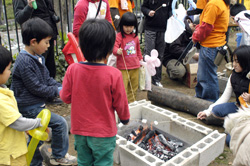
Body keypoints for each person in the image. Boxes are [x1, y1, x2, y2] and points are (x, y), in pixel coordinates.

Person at [60, 19, 130, 166]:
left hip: (80, 131)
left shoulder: (73, 70)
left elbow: (65, 97)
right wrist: (124, 119)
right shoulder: (114, 74)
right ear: (110, 50)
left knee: (84, 162)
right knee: (103, 162)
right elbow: (121, 103)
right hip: (103, 133)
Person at [10, 18, 77, 166]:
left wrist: (61, 87)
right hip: (29, 108)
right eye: (46, 42)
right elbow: (37, 88)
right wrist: (56, 91)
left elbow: (47, 79)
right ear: (33, 41)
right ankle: (58, 156)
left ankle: (34, 162)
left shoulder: (36, 57)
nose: (48, 46)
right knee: (60, 124)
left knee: (37, 137)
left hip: (36, 106)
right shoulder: (25, 62)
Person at [197, 45, 250, 145]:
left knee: (230, 141)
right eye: (234, 61)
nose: (234, 64)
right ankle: (237, 122)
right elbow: (225, 97)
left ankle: (242, 126)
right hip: (240, 106)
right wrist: (207, 111)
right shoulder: (233, 76)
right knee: (216, 111)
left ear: (246, 61)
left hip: (248, 112)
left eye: (238, 62)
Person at [0, 45, 42, 166]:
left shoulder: (3, 92)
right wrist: (38, 123)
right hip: (10, 156)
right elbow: (17, 123)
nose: (10, 72)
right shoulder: (1, 100)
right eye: (8, 69)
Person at [192, 0, 230, 102]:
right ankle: (200, 98)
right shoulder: (222, 2)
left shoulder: (214, 4)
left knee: (207, 77)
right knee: (203, 75)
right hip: (216, 43)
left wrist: (195, 36)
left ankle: (209, 102)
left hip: (210, 45)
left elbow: (207, 27)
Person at [13, 0, 59, 78]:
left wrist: (53, 35)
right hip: (36, 37)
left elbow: (48, 12)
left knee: (50, 69)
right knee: (39, 72)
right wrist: (29, 7)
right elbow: (19, 18)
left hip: (48, 35)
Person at [113, 12, 143, 103]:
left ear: (134, 26)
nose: (128, 29)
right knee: (123, 87)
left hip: (135, 66)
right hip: (123, 67)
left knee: (134, 86)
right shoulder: (119, 36)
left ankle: (132, 102)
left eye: (131, 26)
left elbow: (138, 50)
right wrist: (117, 51)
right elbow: (114, 47)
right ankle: (123, 104)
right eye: (126, 26)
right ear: (122, 25)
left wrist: (140, 60)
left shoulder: (135, 37)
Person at [141, 0, 172, 87]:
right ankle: (145, 80)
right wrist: (148, 12)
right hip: (150, 28)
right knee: (148, 55)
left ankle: (157, 80)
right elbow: (143, 7)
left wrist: (172, 15)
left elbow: (170, 9)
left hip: (163, 29)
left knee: (159, 55)